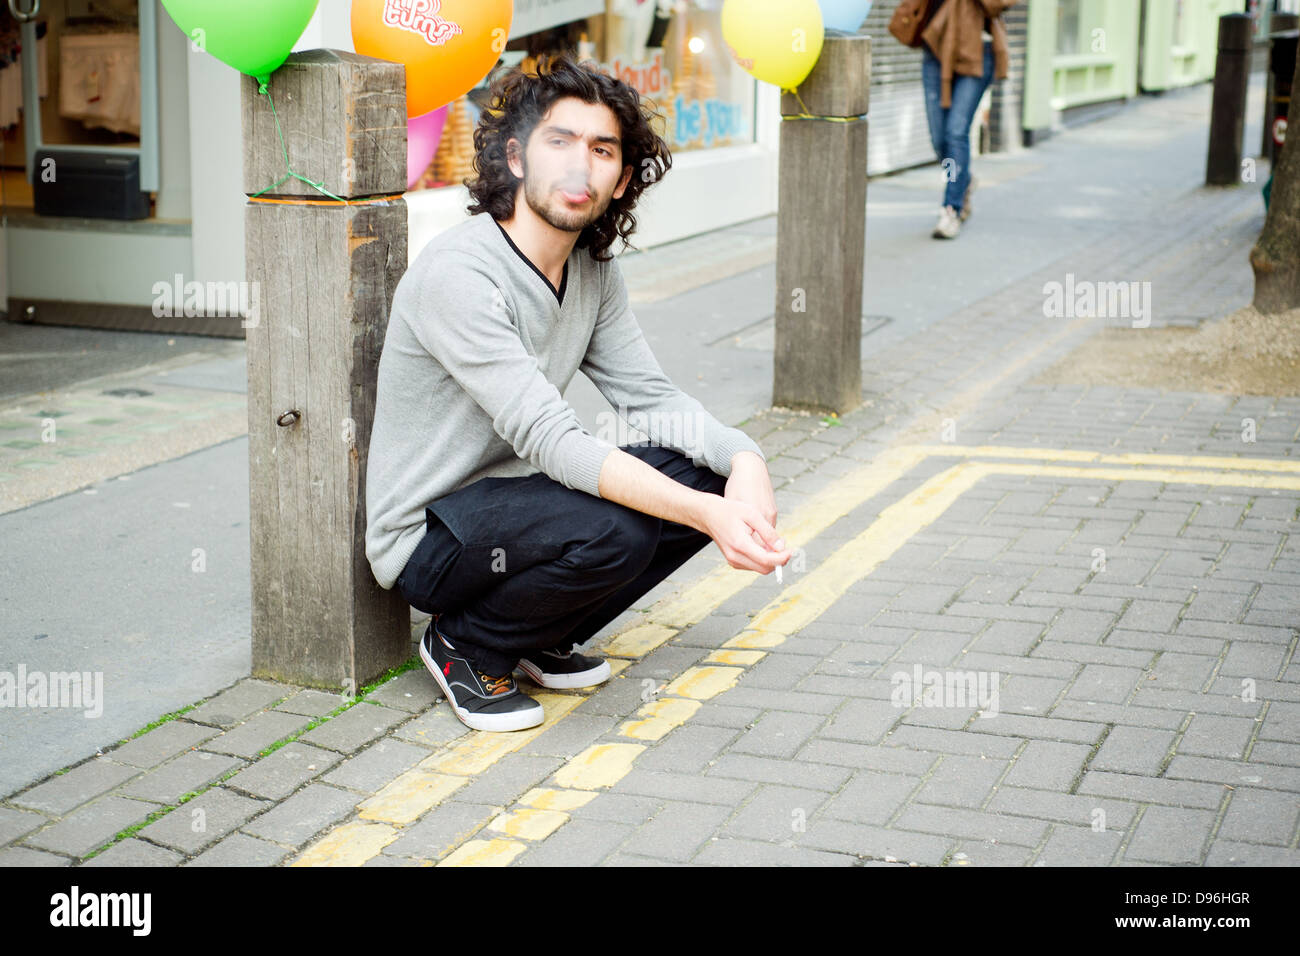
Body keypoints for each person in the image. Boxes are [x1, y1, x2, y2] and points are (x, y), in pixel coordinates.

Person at [364, 53, 792, 733]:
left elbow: (651, 398)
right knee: (619, 525)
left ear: (621, 181)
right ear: (517, 158)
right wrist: (708, 516)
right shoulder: (461, 274)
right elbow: (554, 441)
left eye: (600, 149)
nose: (577, 164)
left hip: (512, 510)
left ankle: (536, 631)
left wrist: (746, 463)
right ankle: (467, 645)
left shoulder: (591, 271)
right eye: (558, 140)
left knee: (703, 470)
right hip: (430, 535)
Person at [919, 0, 1017, 239]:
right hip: (936, 47)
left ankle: (951, 209)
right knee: (939, 139)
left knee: (956, 131)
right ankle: (964, 179)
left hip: (976, 52)